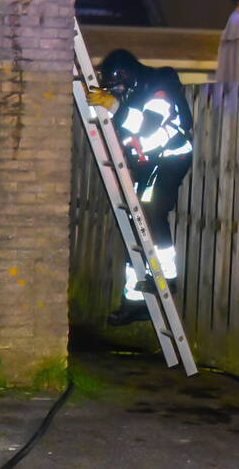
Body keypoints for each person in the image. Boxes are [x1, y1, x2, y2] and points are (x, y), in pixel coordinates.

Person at [87, 49, 194, 326]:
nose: (117, 91)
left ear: (126, 74)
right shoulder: (132, 91)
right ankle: (133, 302)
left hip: (171, 158)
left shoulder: (161, 88)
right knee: (135, 226)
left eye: (118, 84)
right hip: (147, 162)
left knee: (152, 212)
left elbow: (146, 127)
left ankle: (168, 278)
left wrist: (114, 106)